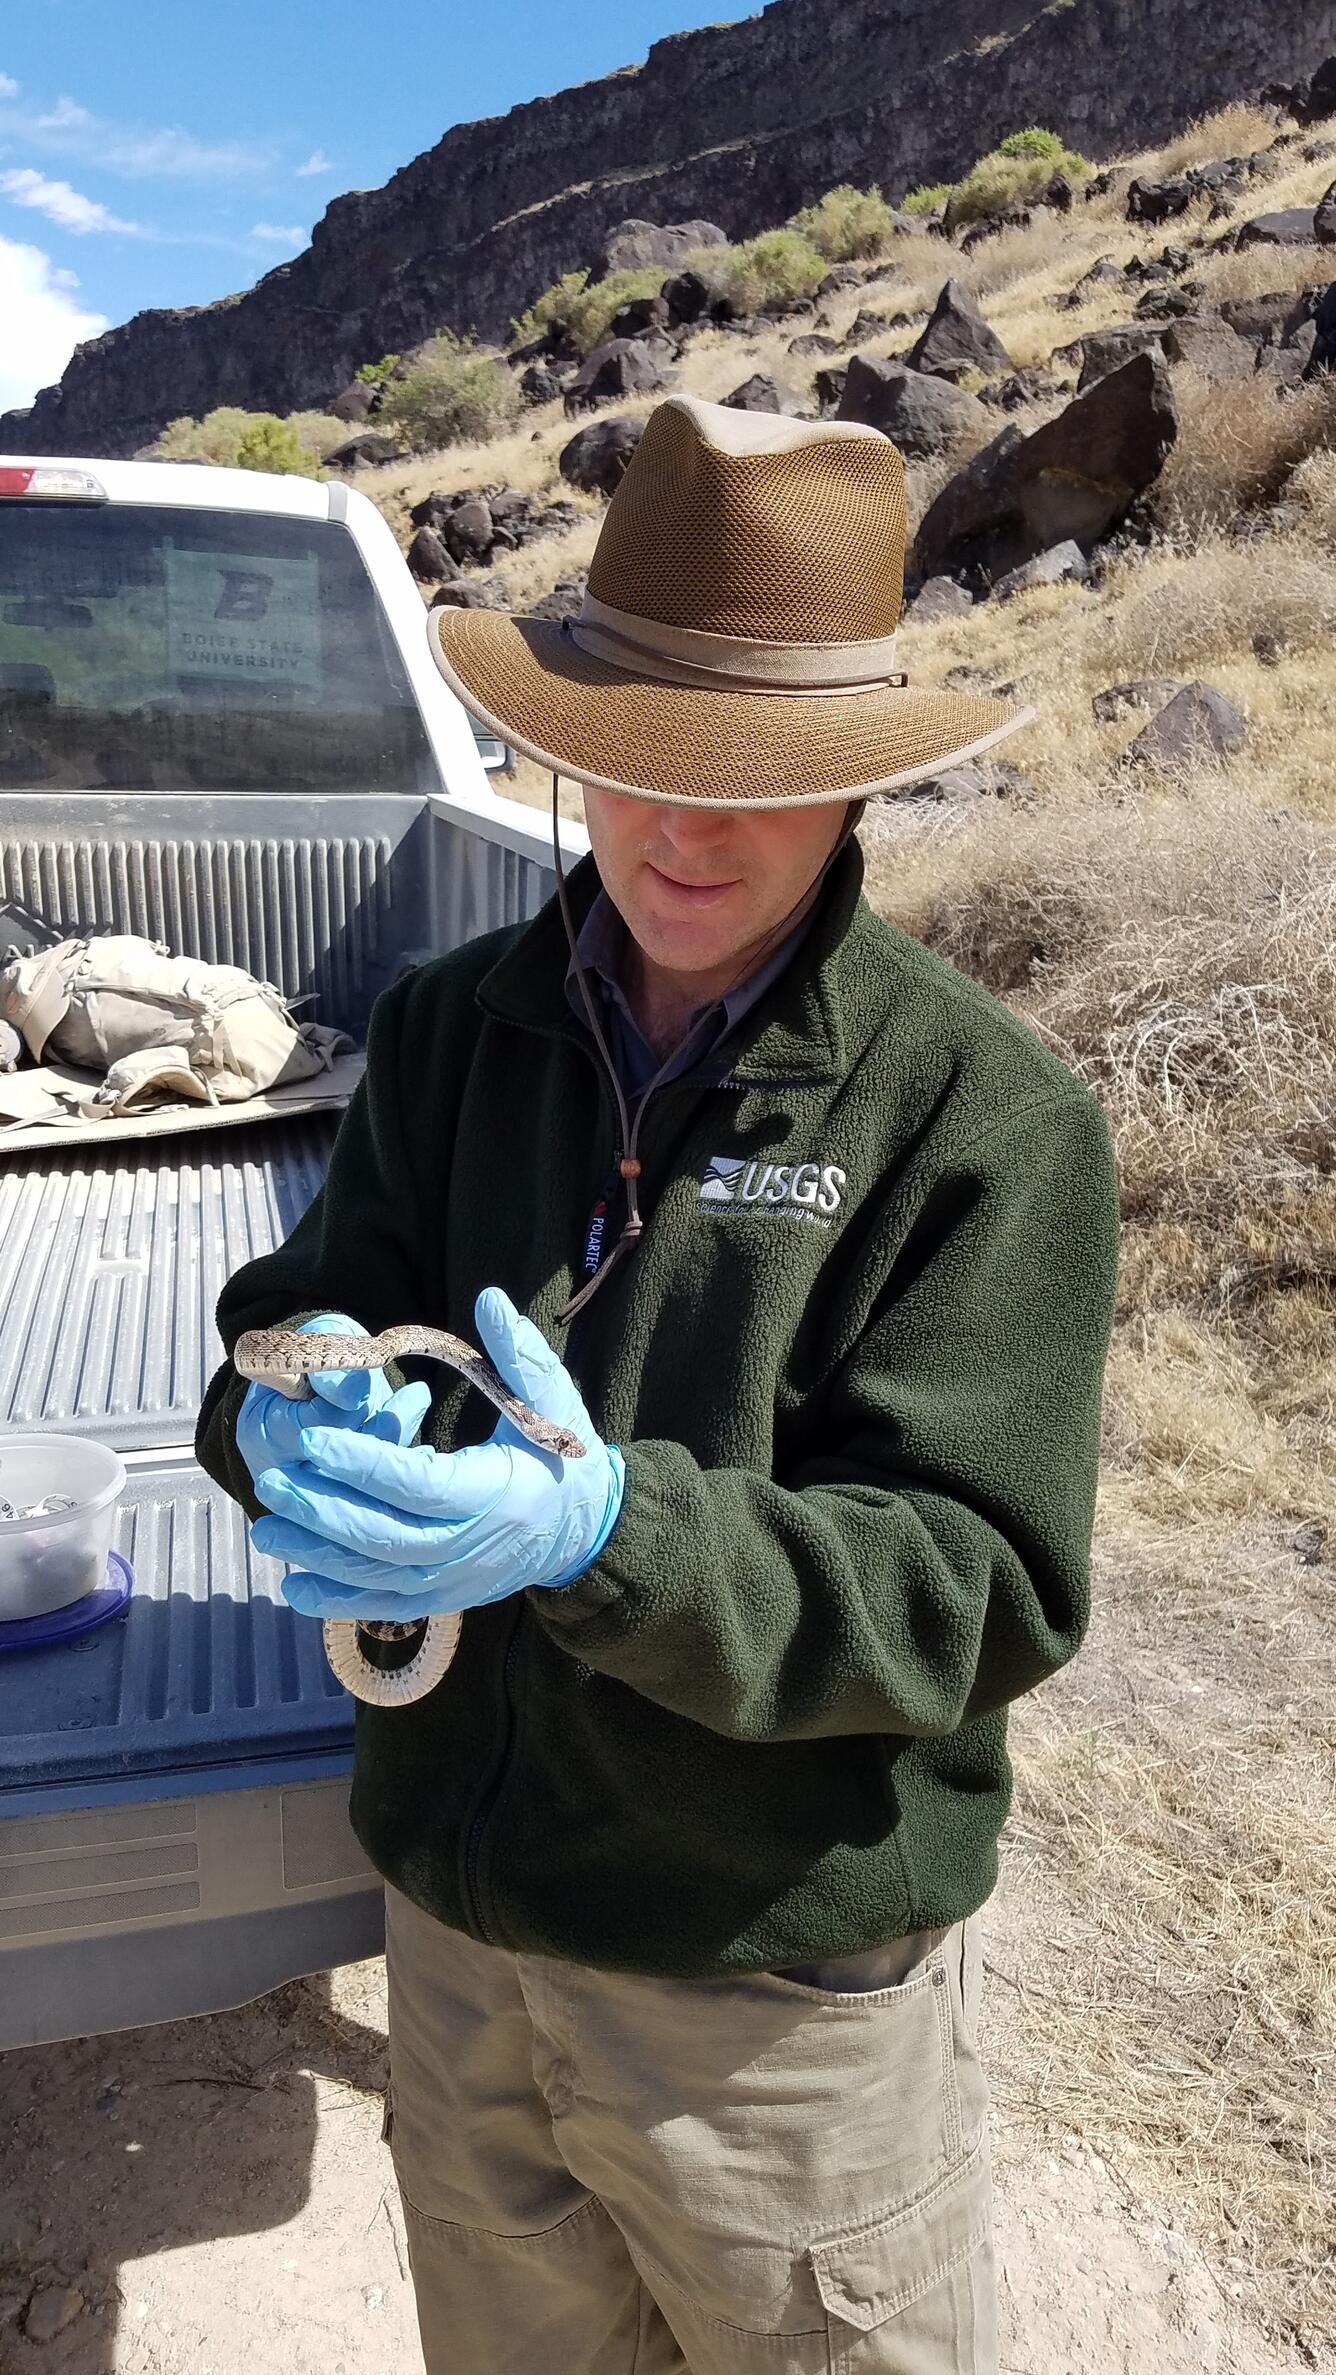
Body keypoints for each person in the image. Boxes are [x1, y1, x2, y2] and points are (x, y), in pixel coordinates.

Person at [196, 395, 1121, 2374]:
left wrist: (603, 1529)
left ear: (858, 783)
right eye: (639, 765)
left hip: (767, 2000)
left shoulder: (981, 1115)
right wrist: (286, 1409)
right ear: (569, 747)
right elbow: (315, 1298)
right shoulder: (454, 1029)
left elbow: (973, 1588)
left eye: (759, 778)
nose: (687, 832)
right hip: (458, 1951)